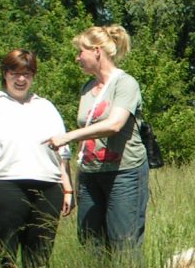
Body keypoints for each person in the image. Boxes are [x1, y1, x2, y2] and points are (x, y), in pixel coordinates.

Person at [45, 25, 148, 253]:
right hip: (90, 174)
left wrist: (68, 137)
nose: (77, 58)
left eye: (81, 52)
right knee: (90, 243)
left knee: (124, 243)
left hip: (124, 173)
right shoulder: (87, 88)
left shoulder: (125, 83)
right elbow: (88, 126)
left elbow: (114, 124)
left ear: (97, 51)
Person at [0, 50, 73, 268]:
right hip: (4, 184)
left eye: (27, 74)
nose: (21, 79)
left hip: (48, 187)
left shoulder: (46, 107)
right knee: (3, 256)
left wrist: (68, 188)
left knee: (40, 257)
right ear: (5, 74)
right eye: (15, 73)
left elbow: (62, 152)